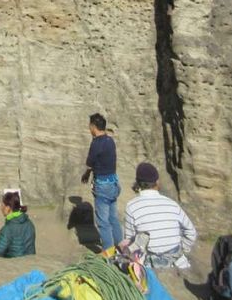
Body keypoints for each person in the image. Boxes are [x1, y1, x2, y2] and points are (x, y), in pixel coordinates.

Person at [124, 161, 197, 269]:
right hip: (178, 265)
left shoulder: (132, 206)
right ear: (157, 182)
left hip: (149, 268)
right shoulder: (172, 204)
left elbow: (130, 241)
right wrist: (183, 249)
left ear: (138, 184)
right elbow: (191, 232)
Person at [81, 112, 123, 251]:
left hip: (102, 186)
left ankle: (109, 253)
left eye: (90, 126)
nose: (89, 129)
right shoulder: (110, 141)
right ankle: (121, 247)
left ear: (93, 127)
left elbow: (89, 164)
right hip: (113, 183)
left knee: (103, 222)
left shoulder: (96, 144)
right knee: (113, 218)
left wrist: (86, 174)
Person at [0, 191, 36, 257]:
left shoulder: (7, 229)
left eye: (2, 205)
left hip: (15, 264)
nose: (0, 208)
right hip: (30, 264)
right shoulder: (30, 223)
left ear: (8, 208)